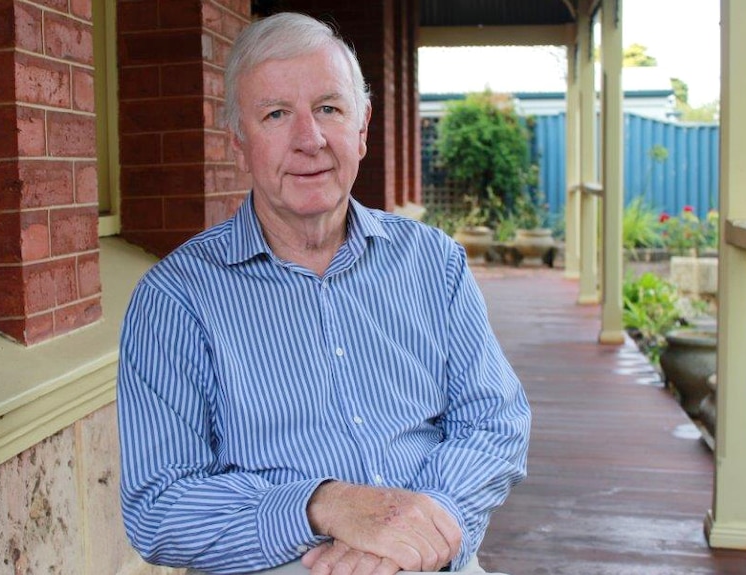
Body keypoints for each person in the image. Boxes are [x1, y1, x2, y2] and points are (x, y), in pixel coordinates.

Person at [117, 12, 531, 575]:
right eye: (276, 114)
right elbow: (159, 508)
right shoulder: (176, 299)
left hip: (435, 554)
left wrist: (423, 524)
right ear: (239, 143)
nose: (309, 139)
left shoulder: (433, 263)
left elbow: (494, 420)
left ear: (361, 130)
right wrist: (323, 504)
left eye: (329, 109)